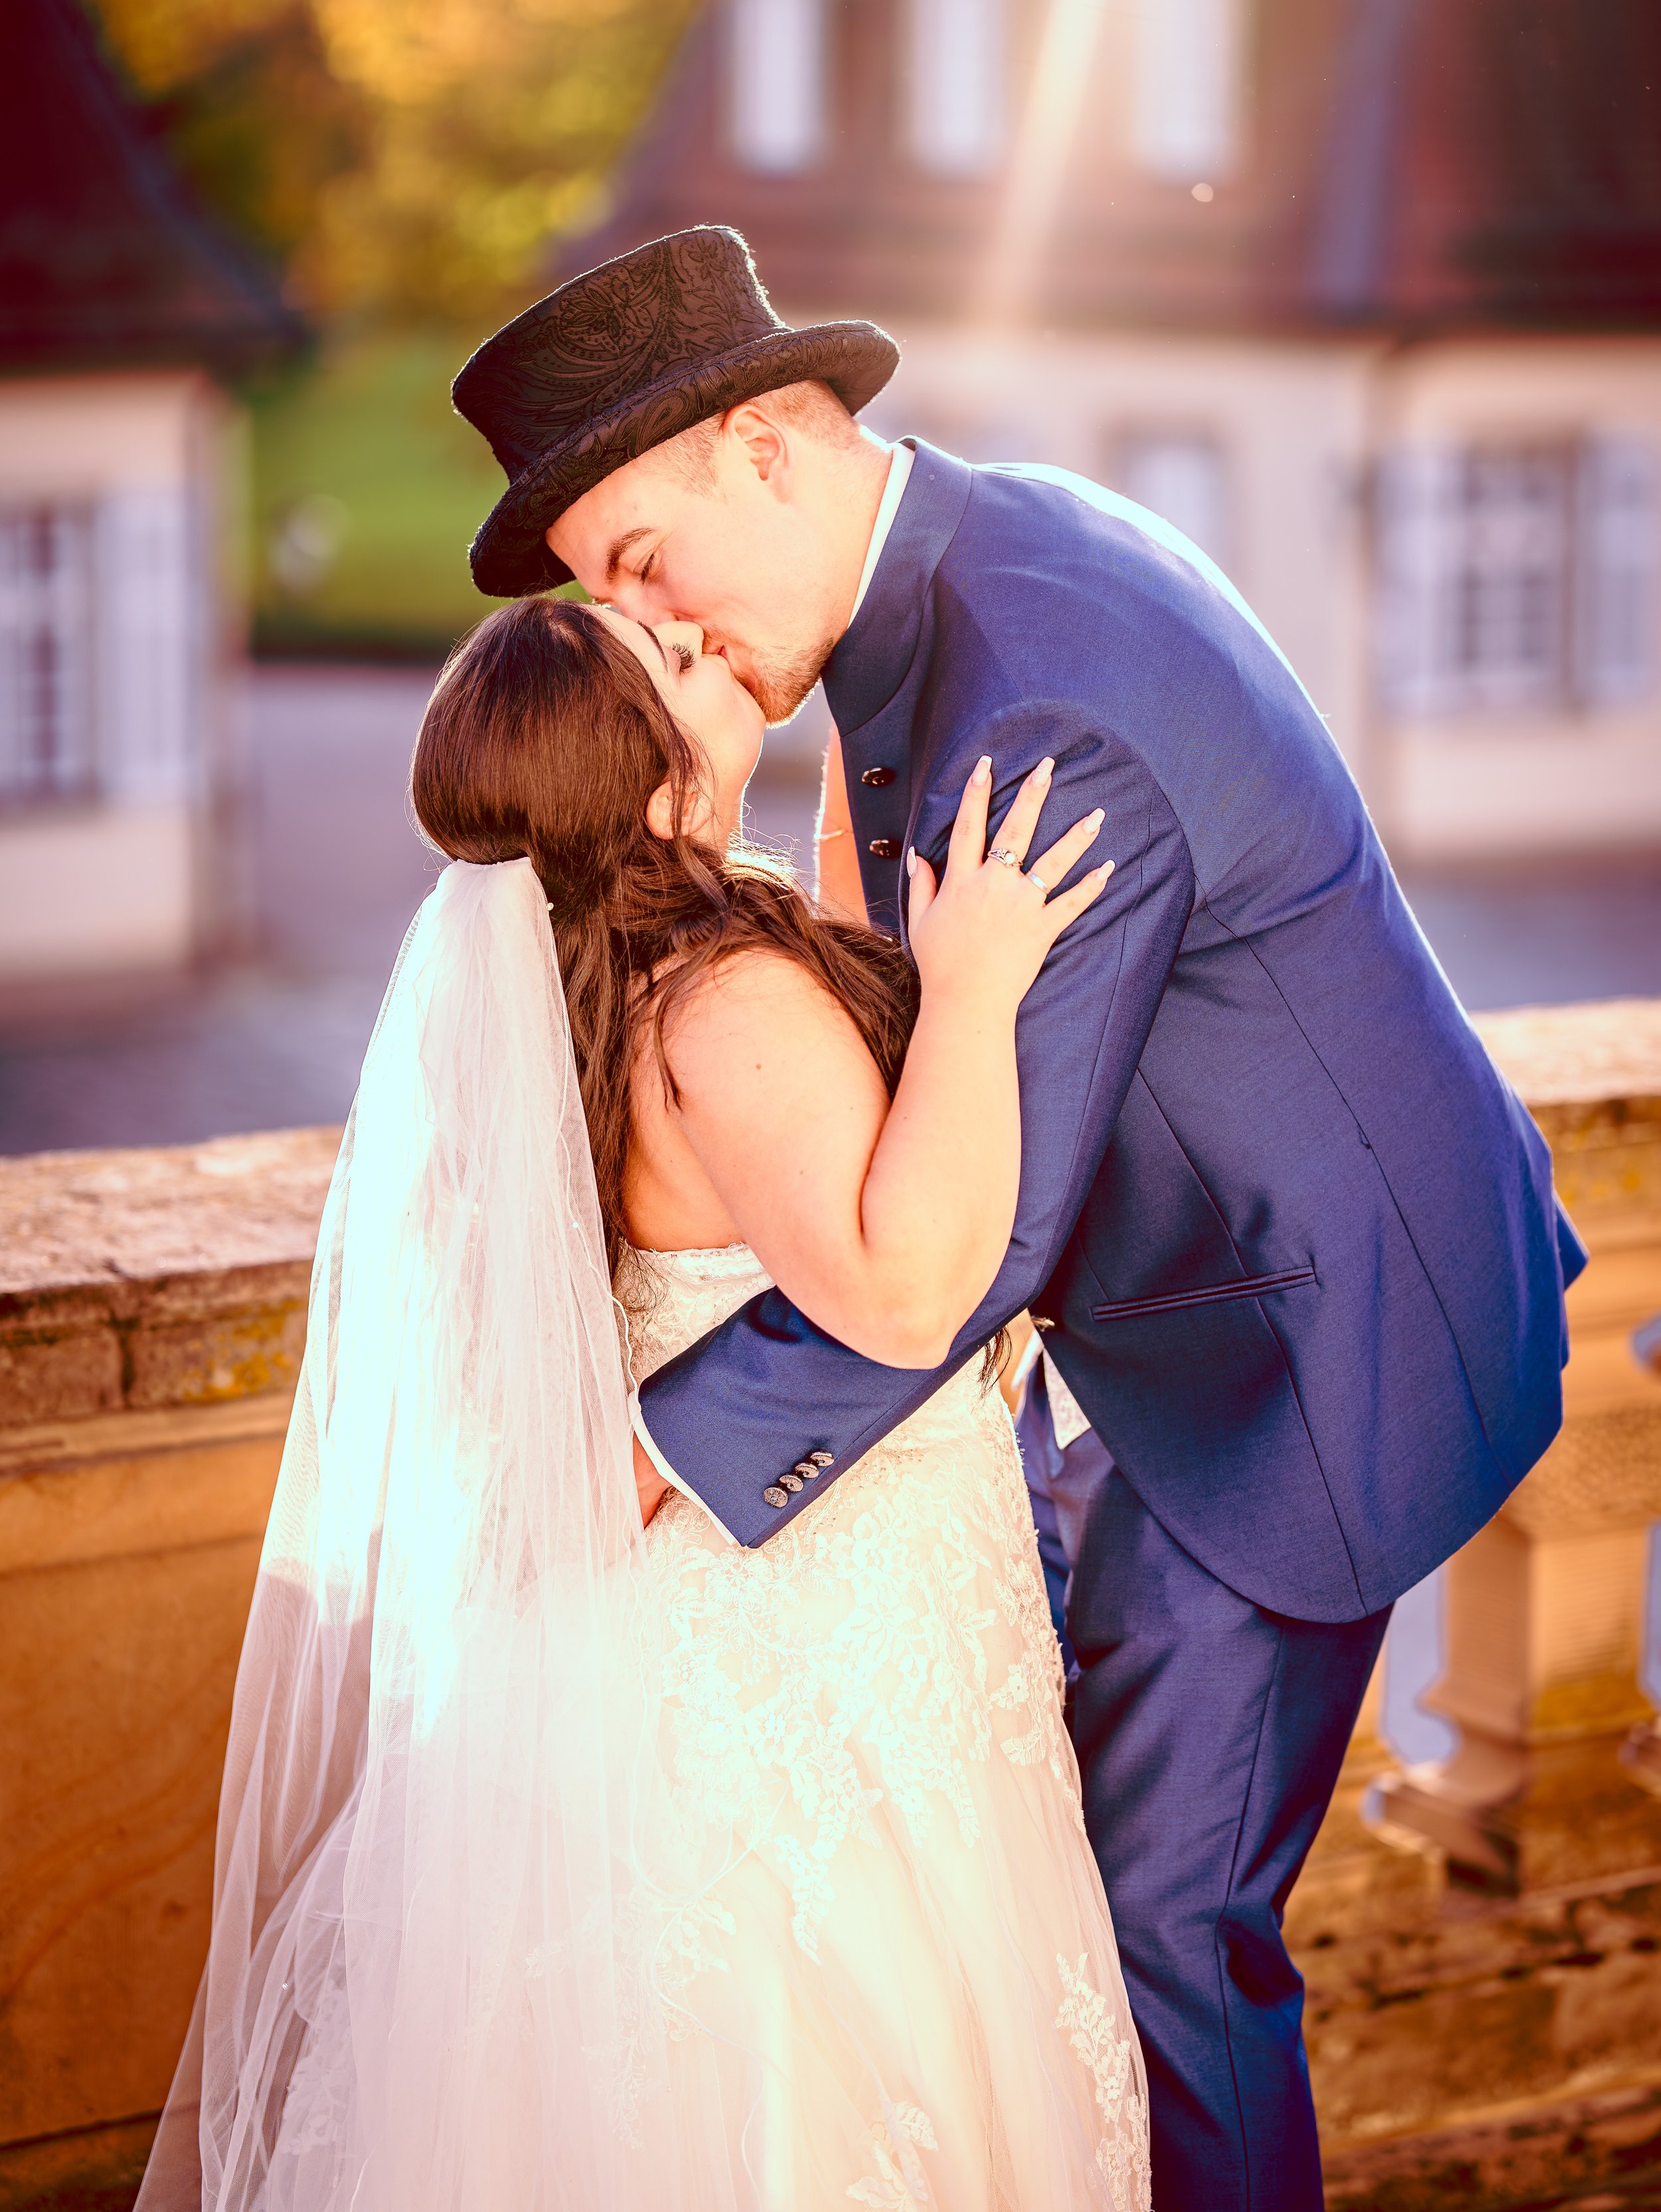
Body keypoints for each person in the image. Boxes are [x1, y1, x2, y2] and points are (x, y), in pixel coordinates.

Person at [448, 223, 1585, 2211]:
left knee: (1165, 1928)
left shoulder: (1034, 703)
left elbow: (939, 1260)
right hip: (1200, 1286)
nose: (655, 637)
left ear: (768, 447)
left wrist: (633, 1452)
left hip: (1296, 1365)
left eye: (640, 565)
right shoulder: (969, 564)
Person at [134, 588, 1151, 2211]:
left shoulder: (591, 979)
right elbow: (895, 1288)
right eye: (669, 657)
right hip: (827, 1649)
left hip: (716, 1614)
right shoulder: (724, 995)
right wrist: (973, 983)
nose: (700, 632)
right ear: (656, 771)